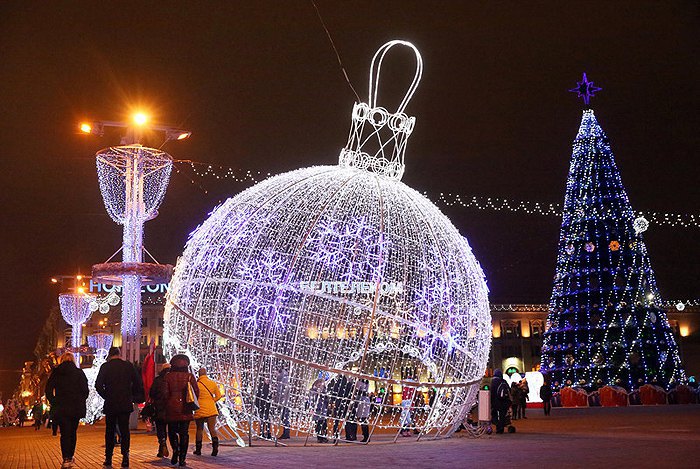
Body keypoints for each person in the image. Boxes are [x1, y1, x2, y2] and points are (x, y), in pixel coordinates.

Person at [95, 347, 145, 468]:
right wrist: (131, 396)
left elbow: (98, 385)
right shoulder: (128, 366)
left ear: (109, 356)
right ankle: (125, 457)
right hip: (124, 403)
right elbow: (138, 383)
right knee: (124, 430)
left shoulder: (105, 367)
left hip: (111, 403)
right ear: (119, 354)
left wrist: (106, 395)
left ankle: (108, 458)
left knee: (110, 430)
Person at [45, 352, 89, 469]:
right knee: (72, 433)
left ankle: (65, 459)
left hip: (61, 407)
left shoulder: (56, 372)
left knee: (64, 434)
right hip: (75, 407)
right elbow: (85, 390)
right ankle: (70, 456)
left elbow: (48, 389)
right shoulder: (79, 373)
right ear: (73, 360)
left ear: (61, 360)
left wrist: (54, 401)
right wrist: (80, 400)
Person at [164, 354, 199, 467]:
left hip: (171, 408)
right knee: (184, 434)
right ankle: (182, 458)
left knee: (172, 432)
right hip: (186, 408)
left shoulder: (168, 376)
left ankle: (175, 451)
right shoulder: (189, 376)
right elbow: (196, 392)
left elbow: (165, 393)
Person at [193, 367, 223, 456]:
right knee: (212, 429)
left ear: (199, 374)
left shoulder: (196, 385)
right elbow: (219, 396)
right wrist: (212, 400)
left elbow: (193, 397)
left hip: (200, 409)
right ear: (206, 374)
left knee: (199, 429)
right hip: (211, 409)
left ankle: (198, 450)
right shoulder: (212, 383)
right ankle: (215, 449)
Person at [148, 363, 170, 458]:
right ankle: (175, 449)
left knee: (160, 428)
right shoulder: (173, 379)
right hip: (171, 408)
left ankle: (162, 443)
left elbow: (152, 393)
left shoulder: (157, 380)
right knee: (172, 429)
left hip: (159, 408)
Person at [490, 369, 511, 434]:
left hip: (495, 402)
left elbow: (492, 393)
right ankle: (501, 428)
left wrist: (491, 402)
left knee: (494, 414)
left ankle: (497, 425)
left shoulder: (493, 382)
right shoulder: (503, 381)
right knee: (502, 415)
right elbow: (509, 390)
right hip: (504, 401)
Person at [308, 378, 328, 443]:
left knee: (324, 424)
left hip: (323, 409)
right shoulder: (312, 391)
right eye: (319, 385)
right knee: (318, 424)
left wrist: (323, 394)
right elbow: (311, 400)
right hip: (316, 409)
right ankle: (319, 437)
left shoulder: (324, 391)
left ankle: (324, 436)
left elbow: (326, 400)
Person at [274, 366, 291, 439]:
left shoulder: (284, 379)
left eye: (276, 372)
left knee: (285, 417)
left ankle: (286, 433)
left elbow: (284, 391)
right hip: (282, 402)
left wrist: (280, 397)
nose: (275, 374)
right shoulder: (281, 380)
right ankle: (285, 432)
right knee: (283, 418)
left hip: (285, 403)